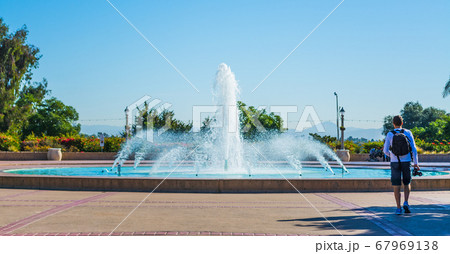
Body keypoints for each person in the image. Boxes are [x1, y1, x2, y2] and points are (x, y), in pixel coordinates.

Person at [383, 115, 420, 215]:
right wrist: (416, 163)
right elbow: (414, 149)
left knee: (396, 185)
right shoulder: (408, 132)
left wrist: (392, 155)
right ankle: (406, 202)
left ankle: (398, 208)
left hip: (395, 162)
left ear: (393, 123)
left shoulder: (390, 134)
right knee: (407, 183)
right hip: (407, 161)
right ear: (402, 123)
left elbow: (385, 151)